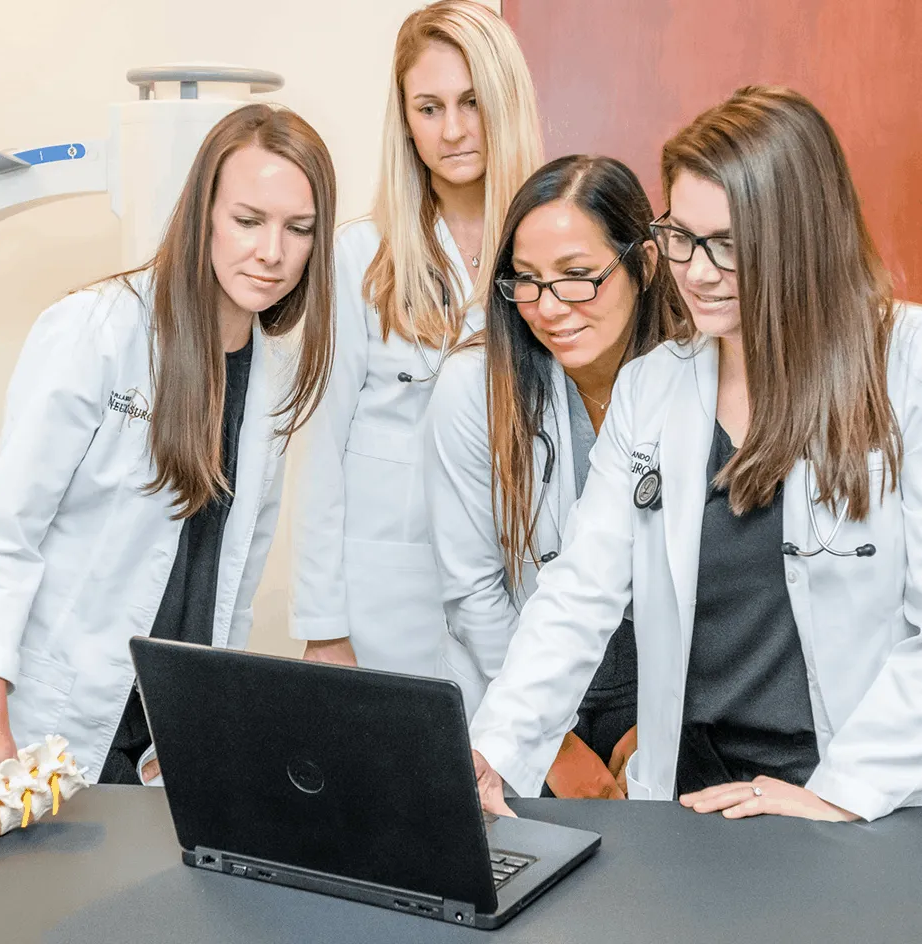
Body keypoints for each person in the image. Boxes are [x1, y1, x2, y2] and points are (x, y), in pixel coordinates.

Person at [471, 86, 922, 823]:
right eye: (680, 236)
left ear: (801, 235)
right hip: (688, 800)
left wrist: (840, 795)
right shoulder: (654, 385)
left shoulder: (903, 366)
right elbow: (579, 591)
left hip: (850, 788)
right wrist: (495, 746)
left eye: (729, 245)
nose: (698, 271)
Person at [0, 103, 338, 785]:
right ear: (202, 213)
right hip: (21, 717)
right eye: (247, 220)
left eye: (298, 230)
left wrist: (199, 727)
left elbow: (228, 582)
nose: (272, 252)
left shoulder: (272, 376)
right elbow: (5, 537)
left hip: (146, 735)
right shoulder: (98, 330)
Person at [289, 0, 542, 674]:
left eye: (471, 103)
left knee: (505, 774)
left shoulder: (547, 254)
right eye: (428, 108)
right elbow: (320, 453)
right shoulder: (358, 255)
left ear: (504, 103)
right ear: (403, 118)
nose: (453, 130)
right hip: (385, 597)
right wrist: (322, 629)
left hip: (513, 588)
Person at [424, 155, 684, 798]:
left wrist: (657, 723)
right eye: (527, 281)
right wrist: (557, 750)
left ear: (644, 265)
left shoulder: (696, 380)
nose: (549, 308)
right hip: (518, 670)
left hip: (669, 679)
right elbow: (474, 589)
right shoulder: (474, 388)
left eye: (576, 277)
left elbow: (723, 580)